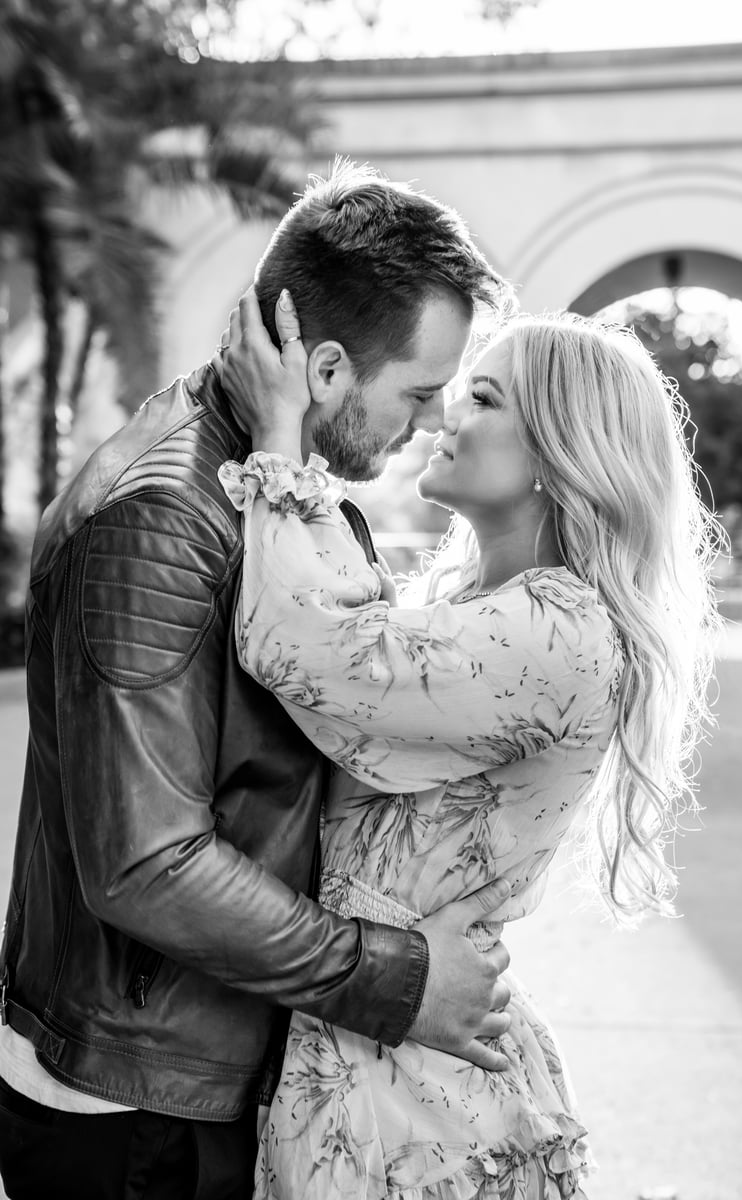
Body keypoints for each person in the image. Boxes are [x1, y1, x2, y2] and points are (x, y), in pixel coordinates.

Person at [0, 163, 516, 1200]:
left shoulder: (275, 488)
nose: (429, 422)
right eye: (418, 393)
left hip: (201, 1076)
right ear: (324, 368)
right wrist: (398, 980)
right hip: (135, 1107)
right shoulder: (160, 521)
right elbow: (146, 865)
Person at [216, 289, 722, 1200]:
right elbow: (337, 634)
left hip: (417, 1089)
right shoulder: (481, 610)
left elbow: (299, 646)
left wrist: (279, 433)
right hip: (385, 1038)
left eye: (484, 398)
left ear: (560, 453)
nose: (447, 415)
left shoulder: (558, 630)